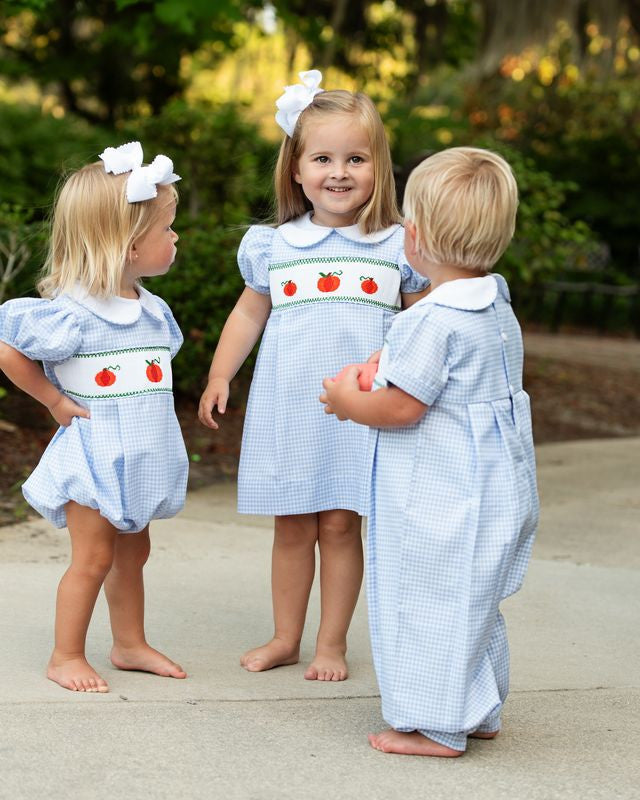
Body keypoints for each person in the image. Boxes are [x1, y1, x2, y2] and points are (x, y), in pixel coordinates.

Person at [198, 70, 428, 681]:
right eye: (323, 157)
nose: (340, 172)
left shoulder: (394, 246)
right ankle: (284, 636)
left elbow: (420, 324)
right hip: (290, 408)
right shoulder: (275, 246)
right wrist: (221, 374)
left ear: (379, 168)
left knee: (341, 524)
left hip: (360, 411)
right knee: (293, 523)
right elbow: (249, 313)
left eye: (356, 158)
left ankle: (333, 643)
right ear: (296, 168)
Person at [320, 147, 539, 753]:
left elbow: (399, 407)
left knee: (427, 602)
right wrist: (381, 364)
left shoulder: (429, 321)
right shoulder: (494, 306)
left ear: (413, 237)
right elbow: (449, 380)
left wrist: (345, 400)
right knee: (474, 601)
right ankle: (479, 706)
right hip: (495, 489)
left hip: (441, 497)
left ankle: (437, 724)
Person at [0, 142, 189, 693]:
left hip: (139, 457)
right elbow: (7, 346)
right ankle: (65, 656)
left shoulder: (152, 309)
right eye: (166, 229)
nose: (175, 238)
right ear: (128, 246)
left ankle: (129, 644)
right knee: (93, 558)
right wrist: (52, 400)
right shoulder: (71, 314)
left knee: (135, 553)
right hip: (94, 455)